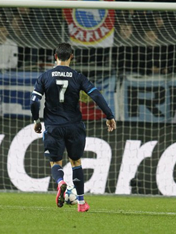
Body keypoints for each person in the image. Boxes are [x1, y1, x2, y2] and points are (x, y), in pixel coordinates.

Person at [30, 43, 116, 212]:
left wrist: (36, 121)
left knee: (55, 162)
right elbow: (96, 95)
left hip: (54, 126)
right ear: (72, 56)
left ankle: (61, 182)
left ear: (55, 56)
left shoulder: (45, 76)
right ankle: (82, 203)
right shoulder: (77, 76)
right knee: (76, 162)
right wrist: (109, 115)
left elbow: (34, 101)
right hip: (74, 126)